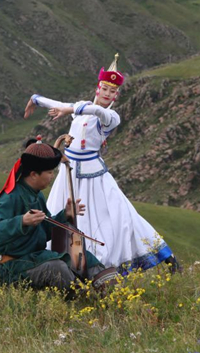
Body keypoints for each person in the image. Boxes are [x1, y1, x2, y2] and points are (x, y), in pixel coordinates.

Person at [24, 54, 179, 273]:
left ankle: (165, 255)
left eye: (112, 91)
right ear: (98, 89)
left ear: (116, 95)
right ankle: (67, 263)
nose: (107, 94)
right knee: (61, 214)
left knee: (124, 216)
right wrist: (35, 99)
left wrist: (69, 109)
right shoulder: (82, 109)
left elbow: (95, 110)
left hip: (95, 176)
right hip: (69, 173)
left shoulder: (111, 116)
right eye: (104, 89)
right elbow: (62, 105)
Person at [0, 137, 115, 293]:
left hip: (35, 258)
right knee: (57, 268)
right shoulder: (10, 197)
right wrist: (22, 221)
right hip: (12, 267)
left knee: (77, 253)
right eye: (49, 172)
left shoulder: (37, 195)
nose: (52, 176)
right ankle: (84, 299)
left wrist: (65, 214)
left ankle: (111, 290)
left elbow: (45, 230)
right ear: (34, 174)